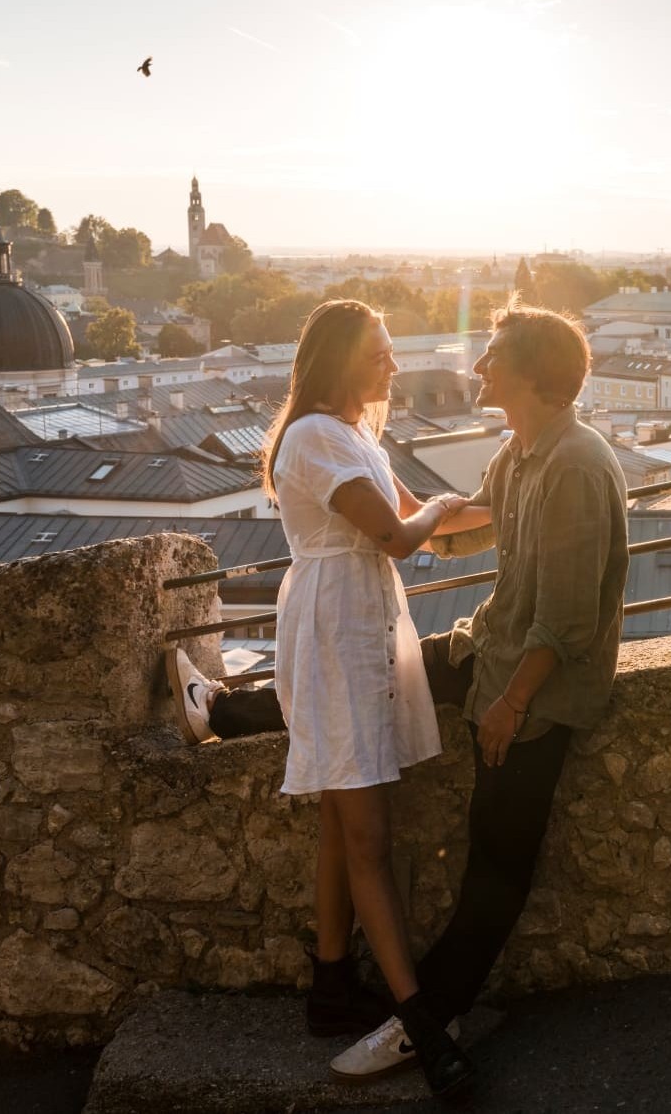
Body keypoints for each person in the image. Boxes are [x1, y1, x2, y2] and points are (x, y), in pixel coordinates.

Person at [171, 298, 627, 1087]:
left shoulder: (566, 464)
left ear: (530, 376)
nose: (471, 365)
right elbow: (432, 529)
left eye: (492, 355)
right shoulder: (508, 454)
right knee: (366, 781)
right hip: (423, 637)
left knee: (470, 857)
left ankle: (402, 1010)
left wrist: (512, 699)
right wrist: (444, 514)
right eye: (380, 350)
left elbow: (552, 610)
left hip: (504, 672)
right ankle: (404, 1012)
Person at [167, 297, 475, 1097]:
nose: (395, 364)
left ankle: (331, 985)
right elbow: (400, 534)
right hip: (336, 631)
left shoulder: (356, 434)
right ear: (339, 359)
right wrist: (442, 507)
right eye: (380, 352)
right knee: (368, 836)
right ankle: (420, 1022)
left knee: (344, 821)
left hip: (360, 628)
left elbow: (428, 524)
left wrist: (521, 499)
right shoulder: (311, 437)